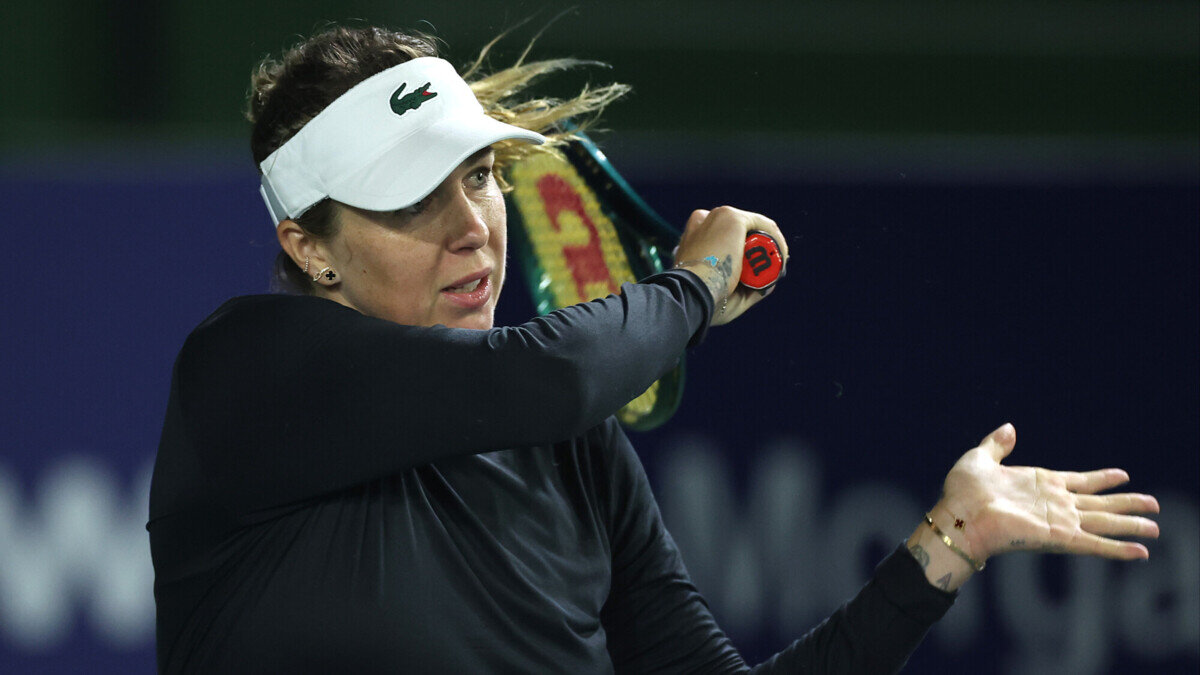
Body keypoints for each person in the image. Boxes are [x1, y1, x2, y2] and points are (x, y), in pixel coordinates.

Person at [147, 25, 1160, 674]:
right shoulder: (243, 373)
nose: (472, 228)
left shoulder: (575, 446)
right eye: (413, 198)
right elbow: (549, 375)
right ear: (308, 247)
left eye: (482, 176)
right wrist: (695, 286)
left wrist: (944, 547)